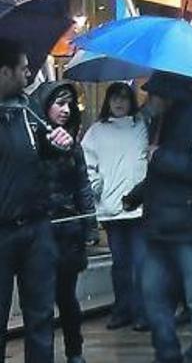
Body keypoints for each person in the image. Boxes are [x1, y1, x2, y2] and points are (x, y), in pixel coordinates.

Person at [133, 72, 192, 363]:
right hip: (160, 221)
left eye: (154, 94)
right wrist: (139, 193)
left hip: (188, 224)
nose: (149, 99)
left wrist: (159, 157)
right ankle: (169, 351)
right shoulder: (161, 121)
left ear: (169, 94)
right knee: (155, 292)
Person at [0, 38, 74, 363]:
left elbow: (46, 150)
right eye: (22, 68)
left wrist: (59, 143)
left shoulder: (27, 109)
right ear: (4, 72)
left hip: (37, 228)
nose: (29, 72)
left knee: (41, 317)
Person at [33, 81, 100, 363]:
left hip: (68, 229)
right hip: (39, 231)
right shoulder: (31, 141)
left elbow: (83, 186)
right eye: (59, 103)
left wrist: (90, 228)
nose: (66, 109)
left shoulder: (73, 144)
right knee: (40, 302)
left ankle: (75, 352)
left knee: (68, 299)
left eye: (69, 104)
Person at [81, 82, 150, 332]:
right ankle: (123, 309)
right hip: (111, 208)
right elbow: (87, 164)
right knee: (120, 264)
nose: (119, 103)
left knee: (142, 264)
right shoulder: (96, 131)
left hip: (140, 208)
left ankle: (143, 312)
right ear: (107, 102)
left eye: (124, 98)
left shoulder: (142, 126)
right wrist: (96, 186)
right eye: (114, 98)